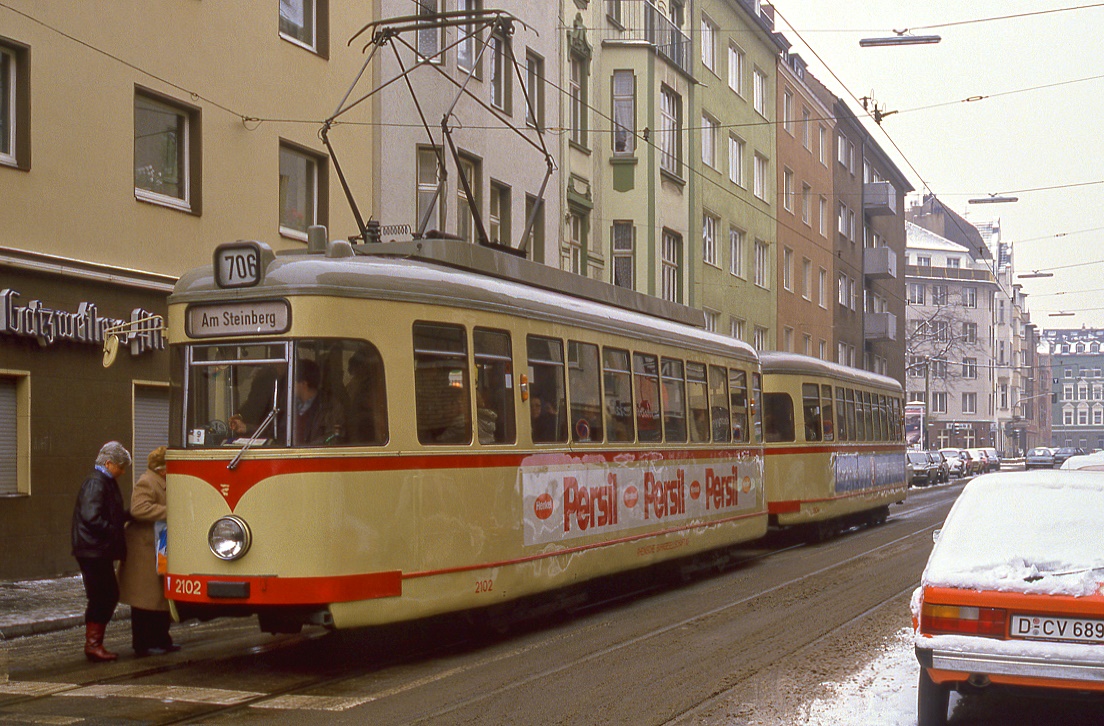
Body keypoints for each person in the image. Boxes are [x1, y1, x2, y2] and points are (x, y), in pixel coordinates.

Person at [71, 441, 131, 662]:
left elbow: (105, 514)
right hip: (93, 550)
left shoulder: (104, 481)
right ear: (108, 463)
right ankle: (93, 645)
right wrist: (113, 531)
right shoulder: (97, 483)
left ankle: (94, 643)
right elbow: (91, 516)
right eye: (121, 466)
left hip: (95, 549)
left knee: (103, 595)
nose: (123, 471)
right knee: (103, 595)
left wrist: (127, 515)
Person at [117, 446, 179, 657]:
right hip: (144, 549)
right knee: (145, 600)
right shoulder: (148, 481)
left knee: (161, 596)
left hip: (158, 544)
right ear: (163, 468)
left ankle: (161, 639)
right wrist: (171, 512)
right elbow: (139, 509)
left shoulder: (161, 481)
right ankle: (144, 643)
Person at [294, 359, 344, 445]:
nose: (289, 386)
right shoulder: (289, 405)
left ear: (303, 384)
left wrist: (308, 449)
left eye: (293, 382)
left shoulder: (330, 408)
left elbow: (333, 438)